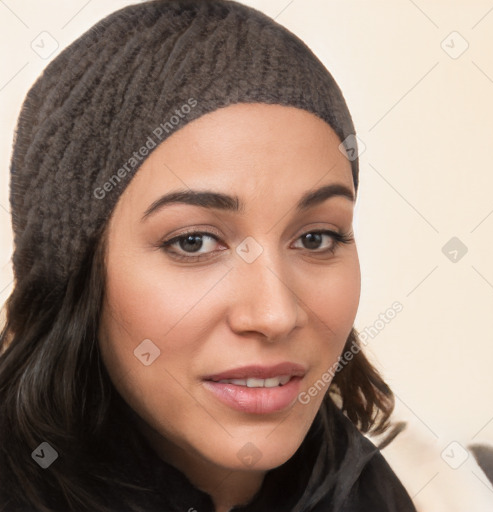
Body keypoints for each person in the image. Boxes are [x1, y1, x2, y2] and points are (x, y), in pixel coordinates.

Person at [0, 1, 417, 510]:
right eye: (193, 241)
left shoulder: (387, 492)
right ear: (72, 275)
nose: (275, 314)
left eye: (316, 238)